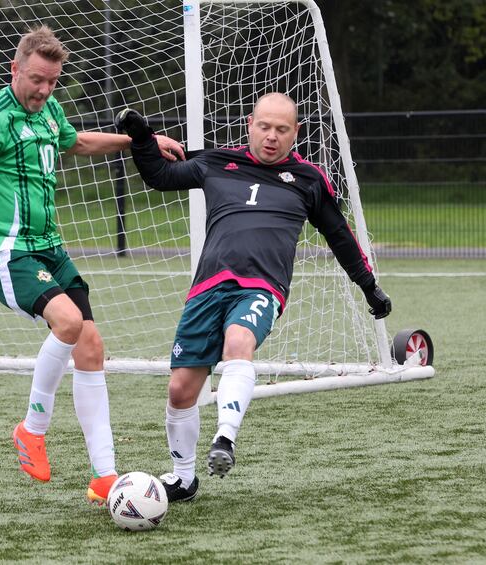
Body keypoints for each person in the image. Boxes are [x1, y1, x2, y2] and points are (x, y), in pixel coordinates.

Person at [0, 25, 184, 506]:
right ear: (15, 69)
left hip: (49, 247)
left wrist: (141, 142)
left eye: (52, 81)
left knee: (91, 345)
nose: (44, 90)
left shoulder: (49, 108)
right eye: (36, 79)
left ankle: (105, 478)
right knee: (70, 323)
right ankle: (32, 429)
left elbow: (75, 142)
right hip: (4, 251)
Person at [114, 93, 391, 502]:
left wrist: (369, 285)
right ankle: (184, 478)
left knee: (238, 343)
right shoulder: (216, 163)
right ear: (249, 124)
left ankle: (225, 439)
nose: (272, 137)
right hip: (207, 289)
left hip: (261, 286)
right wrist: (141, 137)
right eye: (265, 127)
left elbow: (340, 237)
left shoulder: (309, 179)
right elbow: (160, 176)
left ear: (296, 132)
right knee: (180, 391)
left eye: (282, 130)